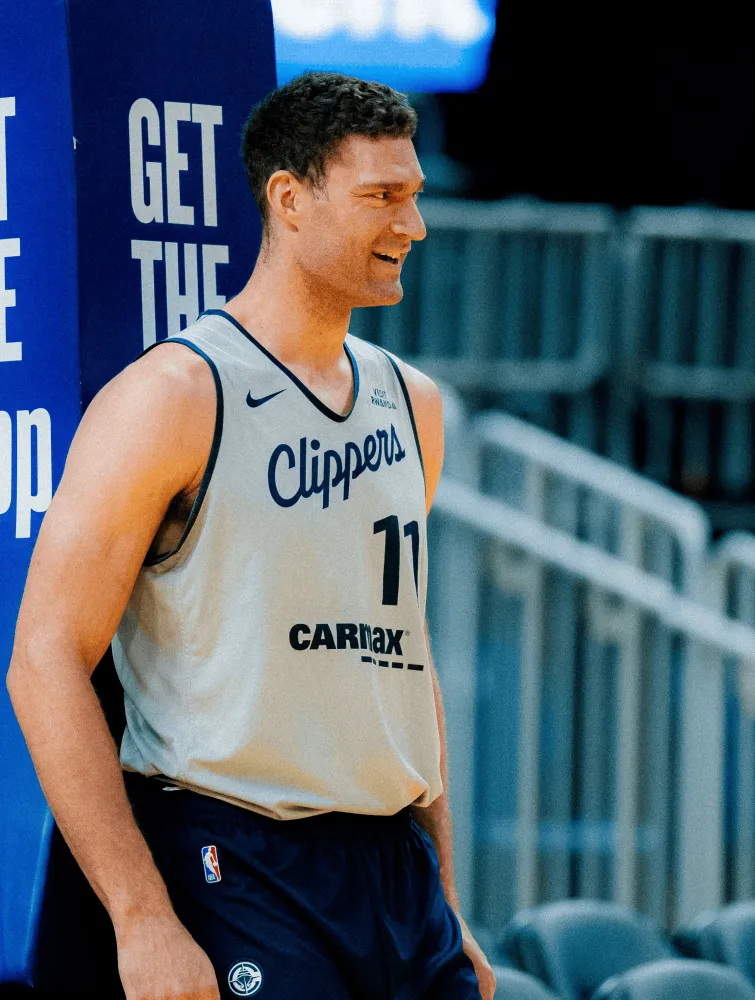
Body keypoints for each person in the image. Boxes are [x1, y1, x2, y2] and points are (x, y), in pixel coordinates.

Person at [7, 72, 495, 1000]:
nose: (413, 226)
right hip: (238, 855)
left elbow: (402, 657)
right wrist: (140, 916)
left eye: (415, 195)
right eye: (381, 198)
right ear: (289, 199)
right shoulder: (173, 396)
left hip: (395, 871)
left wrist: (445, 897)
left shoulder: (415, 404)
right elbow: (43, 658)